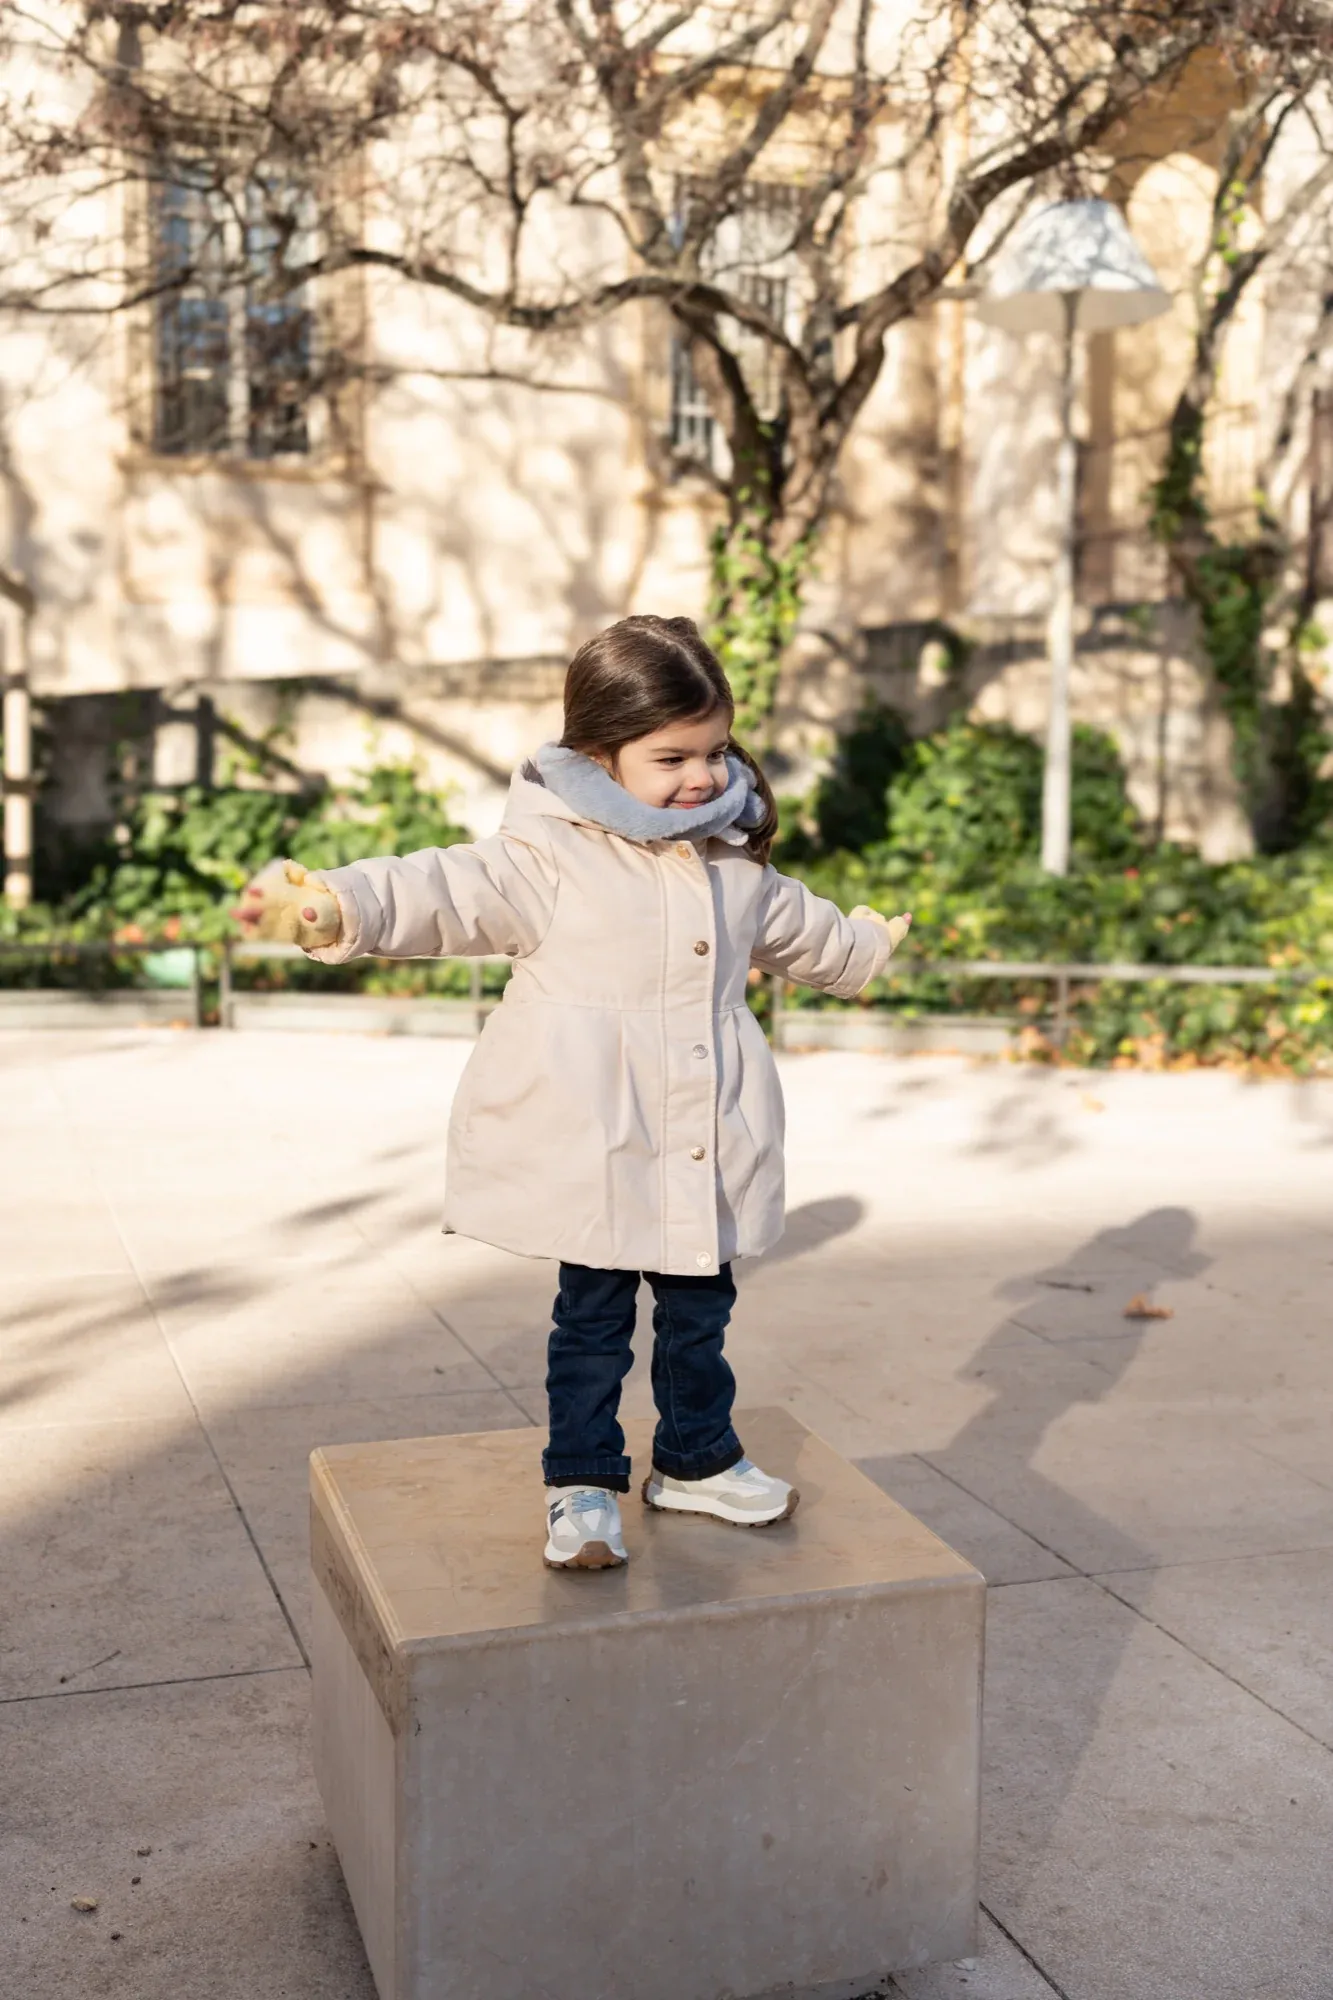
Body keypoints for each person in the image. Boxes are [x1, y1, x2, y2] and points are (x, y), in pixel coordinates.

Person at [234, 615, 911, 1571]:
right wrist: (345, 903)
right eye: (670, 756)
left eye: (715, 751)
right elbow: (444, 888)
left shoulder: (728, 856)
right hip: (599, 1133)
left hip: (698, 1134)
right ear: (598, 753)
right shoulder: (545, 856)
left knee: (697, 1314)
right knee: (591, 1320)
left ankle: (696, 1457)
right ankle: (581, 1482)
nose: (703, 778)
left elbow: (800, 928)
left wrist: (863, 945)